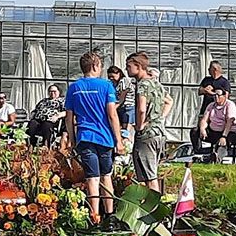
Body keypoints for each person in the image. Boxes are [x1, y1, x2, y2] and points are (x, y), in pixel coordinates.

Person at [64, 50, 125, 224]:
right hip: (104, 137)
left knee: (92, 177)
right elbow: (112, 115)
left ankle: (94, 216)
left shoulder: (74, 88)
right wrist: (119, 140)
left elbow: (69, 117)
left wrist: (72, 139)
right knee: (106, 176)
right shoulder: (106, 86)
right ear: (95, 66)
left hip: (85, 136)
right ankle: (110, 215)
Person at [126, 52, 166, 192]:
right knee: (152, 171)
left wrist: (139, 125)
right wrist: (159, 118)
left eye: (128, 66)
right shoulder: (156, 84)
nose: (127, 69)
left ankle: (153, 209)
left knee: (149, 177)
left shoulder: (142, 85)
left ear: (138, 66)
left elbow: (141, 108)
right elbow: (168, 101)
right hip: (159, 133)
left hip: (147, 135)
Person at [191, 61, 231, 150]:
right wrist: (205, 90)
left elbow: (226, 96)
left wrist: (212, 93)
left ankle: (218, 149)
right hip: (206, 108)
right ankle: (198, 149)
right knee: (199, 128)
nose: (208, 70)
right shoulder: (206, 80)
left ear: (215, 70)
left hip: (218, 111)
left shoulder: (224, 82)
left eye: (210, 69)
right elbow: (199, 91)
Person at [197, 86, 236, 160]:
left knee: (224, 142)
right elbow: (204, 119)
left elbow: (229, 121)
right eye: (214, 95)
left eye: (218, 95)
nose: (216, 97)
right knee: (195, 131)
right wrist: (202, 129)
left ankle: (219, 157)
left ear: (224, 96)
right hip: (214, 131)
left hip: (229, 132)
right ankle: (198, 152)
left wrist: (224, 136)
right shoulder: (211, 105)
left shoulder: (230, 105)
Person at [108, 65, 136, 139]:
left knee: (125, 130)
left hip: (128, 106)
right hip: (121, 107)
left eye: (113, 76)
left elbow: (121, 99)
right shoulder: (114, 83)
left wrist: (113, 108)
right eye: (109, 77)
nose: (111, 78)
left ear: (119, 74)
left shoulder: (123, 81)